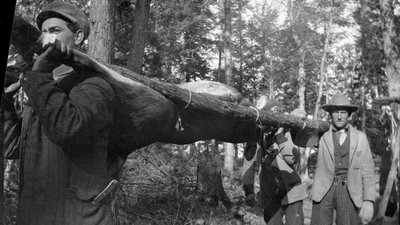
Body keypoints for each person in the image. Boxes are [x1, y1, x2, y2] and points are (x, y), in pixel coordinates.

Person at [2, 1, 123, 224]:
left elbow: (68, 130)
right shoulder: (42, 88)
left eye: (55, 31)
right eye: (44, 32)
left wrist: (39, 75)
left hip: (80, 218)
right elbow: (13, 148)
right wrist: (7, 102)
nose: (46, 38)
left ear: (77, 37)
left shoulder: (95, 86)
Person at [310, 93, 375, 225]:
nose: (339, 116)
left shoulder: (360, 138)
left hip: (349, 188)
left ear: (349, 114)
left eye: (343, 112)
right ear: (330, 114)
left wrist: (369, 200)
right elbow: (300, 139)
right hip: (324, 189)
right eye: (335, 112)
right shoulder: (322, 135)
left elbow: (368, 169)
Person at [241, 99, 308, 225]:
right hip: (270, 193)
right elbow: (248, 163)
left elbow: (293, 158)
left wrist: (280, 136)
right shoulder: (257, 137)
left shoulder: (286, 133)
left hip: (292, 190)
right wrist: (249, 191)